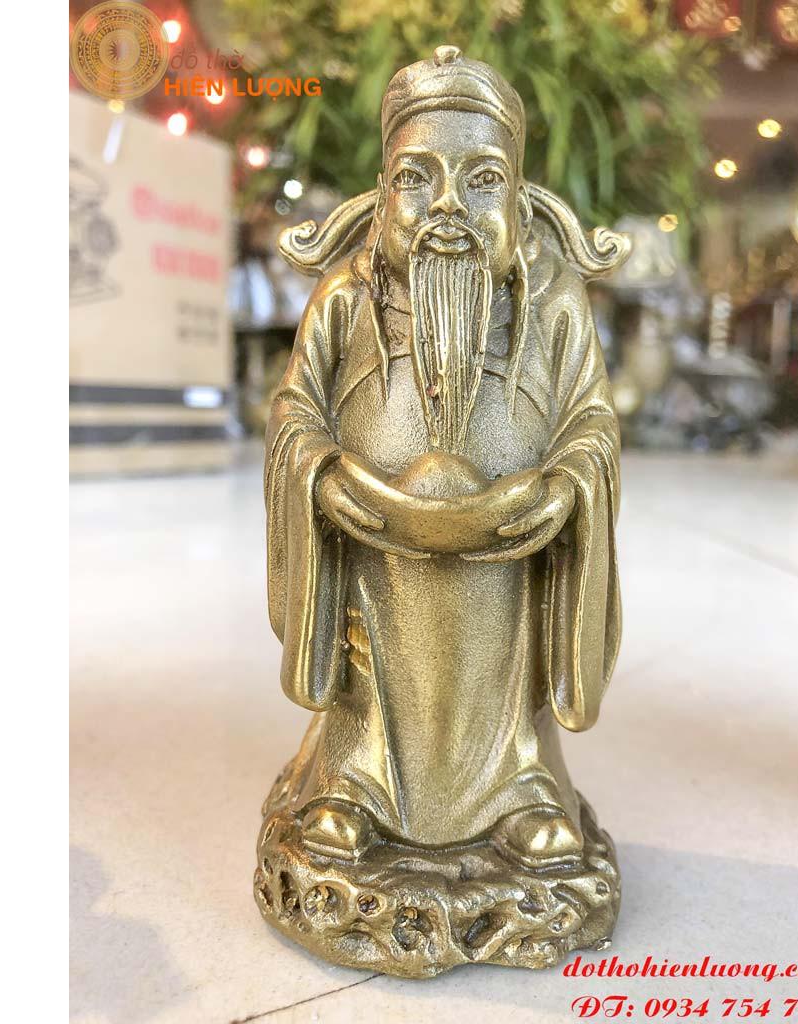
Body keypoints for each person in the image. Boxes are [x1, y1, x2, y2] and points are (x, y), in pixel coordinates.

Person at [263, 46, 622, 869]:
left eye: (482, 179)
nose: (448, 205)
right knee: (372, 645)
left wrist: (568, 487)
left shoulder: (554, 301)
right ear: (382, 193)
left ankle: (518, 787)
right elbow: (294, 410)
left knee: (504, 637)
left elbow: (592, 422)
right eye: (416, 178)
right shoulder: (345, 297)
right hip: (371, 542)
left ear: (520, 200)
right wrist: (321, 474)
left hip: (510, 550)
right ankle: (353, 780)